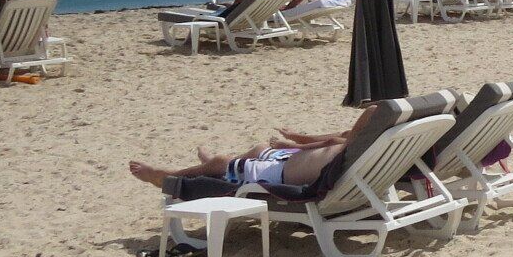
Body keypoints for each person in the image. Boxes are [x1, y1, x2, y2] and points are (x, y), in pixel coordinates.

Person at [128, 104, 383, 193]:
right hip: (288, 163)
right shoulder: (377, 144)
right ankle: (213, 164)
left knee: (220, 162)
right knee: (258, 148)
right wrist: (293, 143)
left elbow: (334, 141)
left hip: (281, 175)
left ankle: (166, 176)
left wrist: (292, 144)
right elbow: (339, 138)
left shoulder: (352, 145)